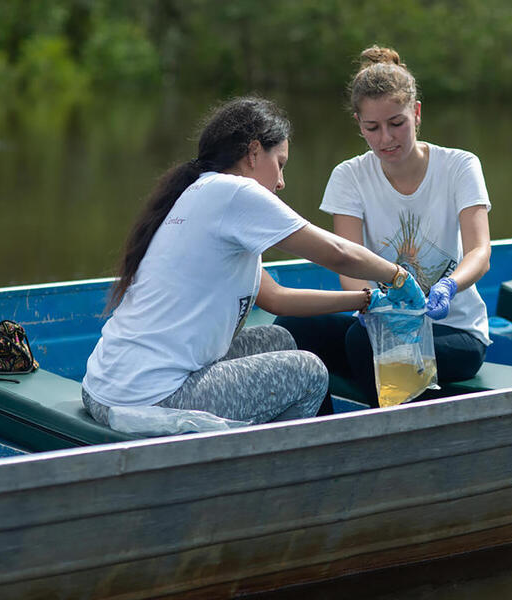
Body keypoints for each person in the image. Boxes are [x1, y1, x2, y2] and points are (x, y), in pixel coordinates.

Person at [82, 96, 425, 427]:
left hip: (106, 387)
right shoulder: (236, 193)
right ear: (254, 151)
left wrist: (366, 300)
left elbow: (275, 298)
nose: (281, 181)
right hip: (150, 398)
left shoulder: (200, 194)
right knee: (310, 372)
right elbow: (337, 253)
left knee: (279, 341)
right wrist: (396, 276)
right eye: (280, 164)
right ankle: (291, 474)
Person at [275, 46, 493, 406]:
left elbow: (480, 252)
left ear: (417, 114)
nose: (386, 139)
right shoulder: (348, 176)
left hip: (454, 332)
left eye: (397, 123)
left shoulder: (460, 166)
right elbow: (349, 264)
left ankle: (385, 436)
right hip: (382, 324)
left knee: (360, 345)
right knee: (291, 329)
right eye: (372, 128)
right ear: (359, 125)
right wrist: (375, 305)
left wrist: (449, 286)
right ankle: (320, 430)